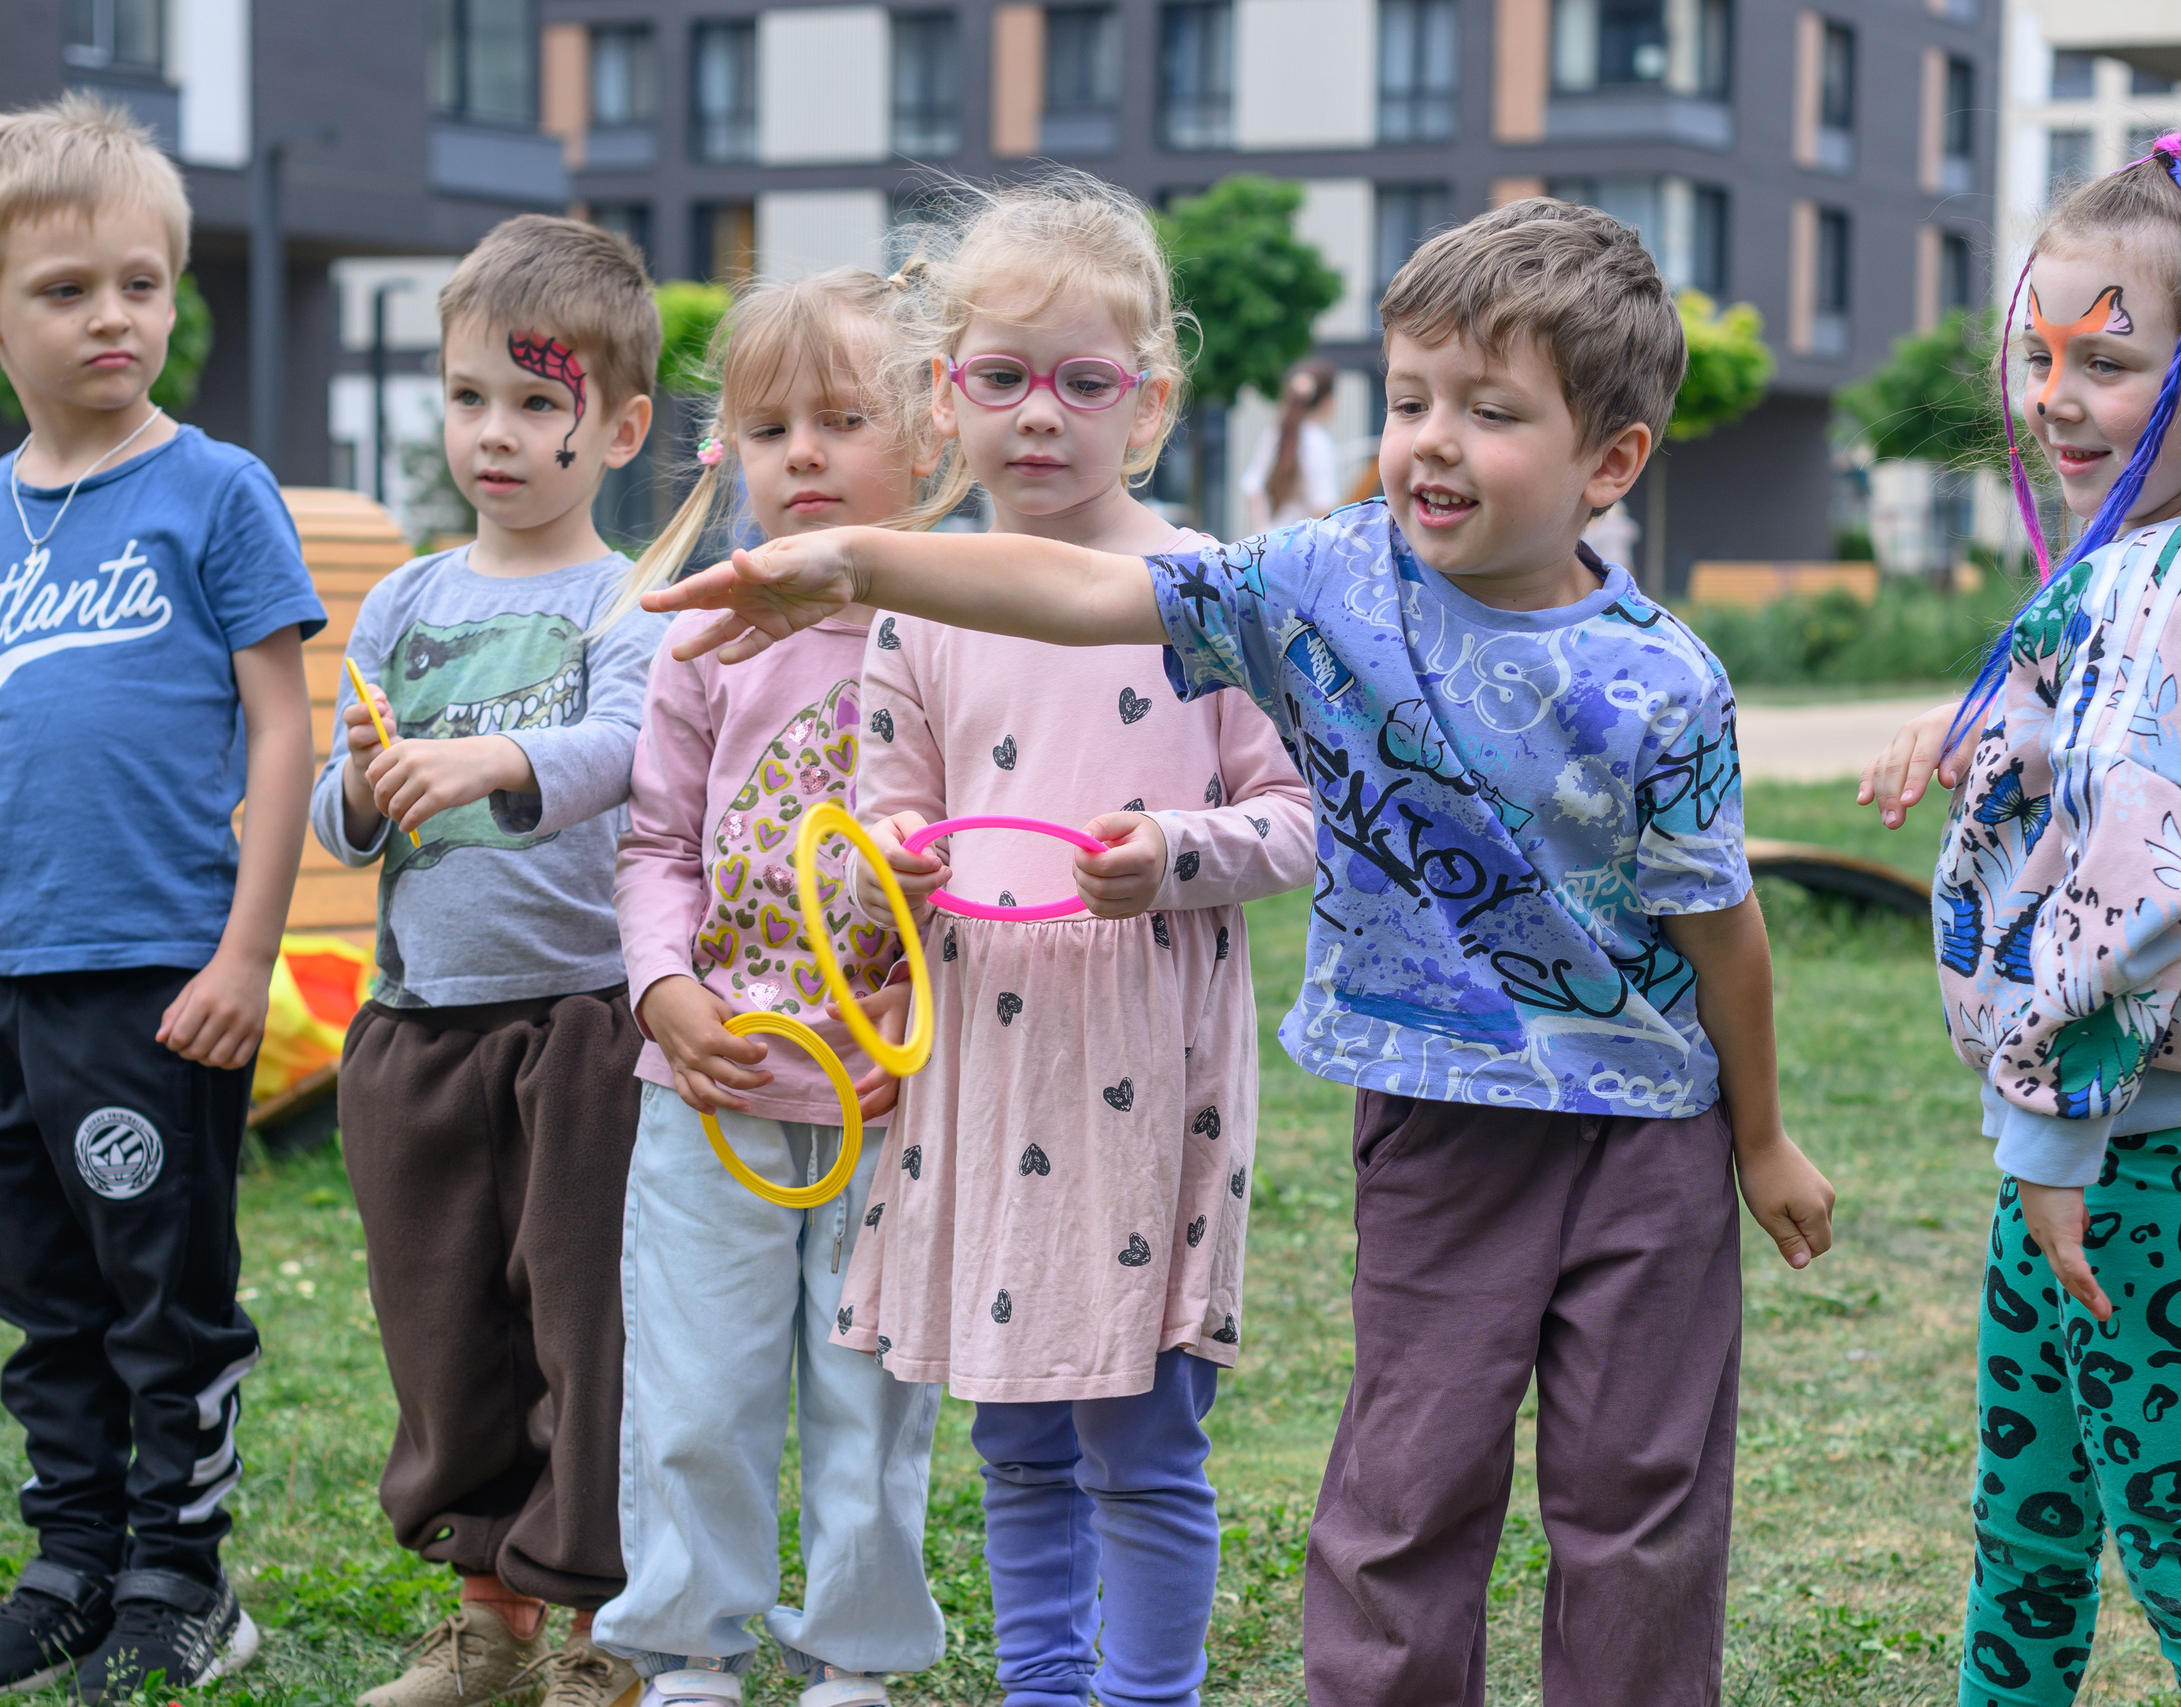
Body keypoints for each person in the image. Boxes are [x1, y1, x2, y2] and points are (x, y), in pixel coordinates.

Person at [647, 196, 1838, 1707]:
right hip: (1435, 1120)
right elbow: (1082, 589)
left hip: (1646, 1140)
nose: (1432, 441)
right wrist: (856, 569)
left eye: (1490, 410)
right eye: (1409, 399)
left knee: (1639, 1496)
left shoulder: (1665, 678)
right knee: (1406, 1487)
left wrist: (1764, 1133)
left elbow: (1724, 931)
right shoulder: (1324, 584)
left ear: (1610, 460)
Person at [1855, 135, 2181, 1705]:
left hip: (2144, 1139)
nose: (2054, 396)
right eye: (2037, 354)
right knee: (2025, 1525)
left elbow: (2143, 882)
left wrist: (2055, 1145)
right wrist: (1959, 739)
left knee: (2176, 1527)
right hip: (2102, 1134)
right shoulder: (2151, 572)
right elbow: (2089, 771)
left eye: (2109, 360)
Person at [838, 175, 1315, 1707]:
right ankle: (1046, 1687)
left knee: (1141, 1433)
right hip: (984, 1069)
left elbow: (1299, 819)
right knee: (1015, 1431)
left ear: (1148, 401)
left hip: (1143, 1066)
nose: (1038, 416)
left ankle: (1144, 1695)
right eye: (1001, 378)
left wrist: (1175, 855)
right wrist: (893, 876)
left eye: (1082, 383)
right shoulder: (914, 610)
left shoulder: (1204, 598)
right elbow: (873, 830)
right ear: (944, 393)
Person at [0, 94, 325, 1701]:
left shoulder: (215, 491)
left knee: (165, 1303)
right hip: (5, 978)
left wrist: (246, 952)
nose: (114, 316)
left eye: (143, 282)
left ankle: (183, 1584)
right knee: (40, 1296)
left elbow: (285, 729)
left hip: (157, 976)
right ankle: (73, 1563)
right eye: (69, 290)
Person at [312, 215, 668, 1707]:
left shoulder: (623, 600)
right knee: (446, 1317)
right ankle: (487, 1620)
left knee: (586, 1323)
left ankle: (608, 1633)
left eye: (541, 401)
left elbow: (630, 753)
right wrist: (365, 779)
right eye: (472, 398)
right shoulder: (400, 600)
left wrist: (485, 757)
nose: (499, 433)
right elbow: (344, 812)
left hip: (579, 1021)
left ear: (621, 424)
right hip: (419, 1020)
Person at [591, 268, 948, 1707]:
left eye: (844, 419)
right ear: (724, 448)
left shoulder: (961, 627)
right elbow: (657, 841)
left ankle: (855, 1651)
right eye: (768, 425)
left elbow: (984, 863)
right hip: (712, 1087)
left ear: (930, 438)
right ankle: (688, 1645)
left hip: (889, 1092)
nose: (804, 452)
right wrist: (662, 987)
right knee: (695, 1383)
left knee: (872, 1389)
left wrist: (924, 1038)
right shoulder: (699, 638)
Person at [1238, 358, 1340, 531]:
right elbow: (1323, 506)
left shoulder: (1273, 435)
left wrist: (1260, 536)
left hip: (1266, 546)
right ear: (1328, 402)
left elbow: (1253, 492)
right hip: (1302, 552)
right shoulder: (1318, 442)